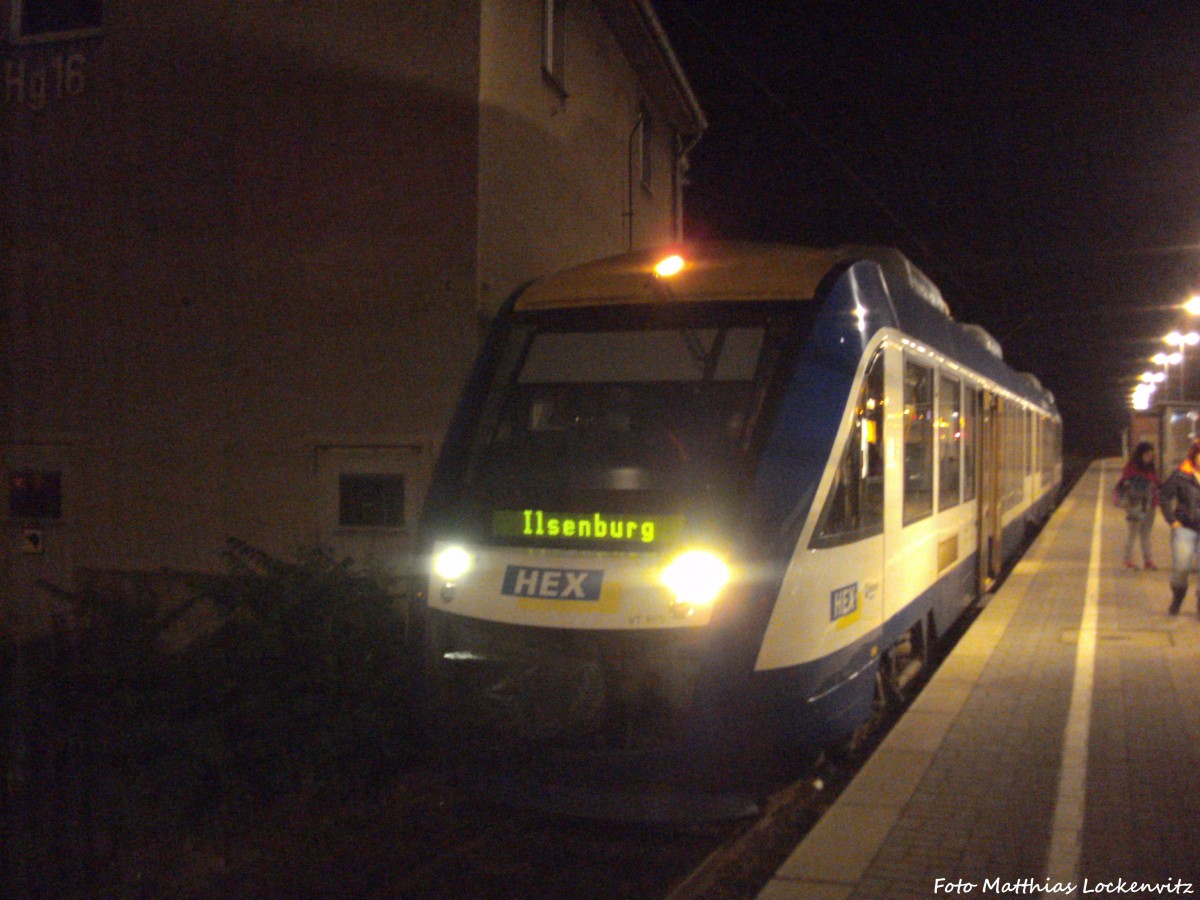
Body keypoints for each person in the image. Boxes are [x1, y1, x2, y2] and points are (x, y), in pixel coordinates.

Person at [1159, 438, 1200, 616]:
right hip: (1185, 526)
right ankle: (1178, 595)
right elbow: (1165, 496)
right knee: (1182, 568)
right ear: (1195, 456)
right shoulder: (1181, 474)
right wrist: (1172, 520)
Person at [1115, 441, 1158, 570]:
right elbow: (1126, 485)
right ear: (1141, 454)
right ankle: (1127, 560)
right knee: (1132, 534)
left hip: (1151, 505)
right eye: (1148, 454)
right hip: (1136, 505)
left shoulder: (1151, 468)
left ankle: (1148, 560)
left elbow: (1156, 483)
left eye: (1152, 455)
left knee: (1146, 534)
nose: (1150, 457)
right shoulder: (1131, 468)